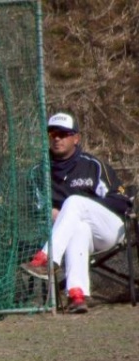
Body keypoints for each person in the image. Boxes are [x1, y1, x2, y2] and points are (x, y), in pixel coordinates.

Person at [21, 112, 131, 313]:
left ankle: (46, 259)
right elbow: (33, 208)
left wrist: (82, 207)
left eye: (63, 134)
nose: (57, 139)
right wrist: (51, 213)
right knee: (78, 228)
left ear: (76, 138)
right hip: (72, 232)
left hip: (108, 228)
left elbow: (122, 201)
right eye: (53, 134)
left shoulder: (92, 165)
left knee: (73, 203)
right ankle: (76, 295)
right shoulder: (39, 171)